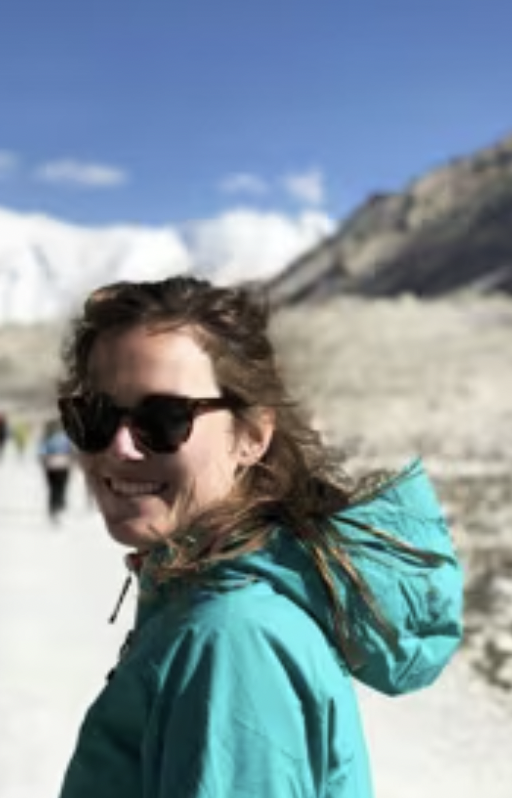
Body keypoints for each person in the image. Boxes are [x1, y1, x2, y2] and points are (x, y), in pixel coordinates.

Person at [54, 276, 462, 798]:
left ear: (251, 436)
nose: (118, 448)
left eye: (164, 418)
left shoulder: (230, 636)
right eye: (95, 415)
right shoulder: (207, 600)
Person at [37, 418, 75, 524]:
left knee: (53, 487)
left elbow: (41, 452)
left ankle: (54, 506)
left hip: (52, 465)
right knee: (61, 486)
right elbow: (71, 450)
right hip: (63, 464)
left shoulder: (46, 437)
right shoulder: (65, 437)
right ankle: (59, 504)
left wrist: (43, 461)